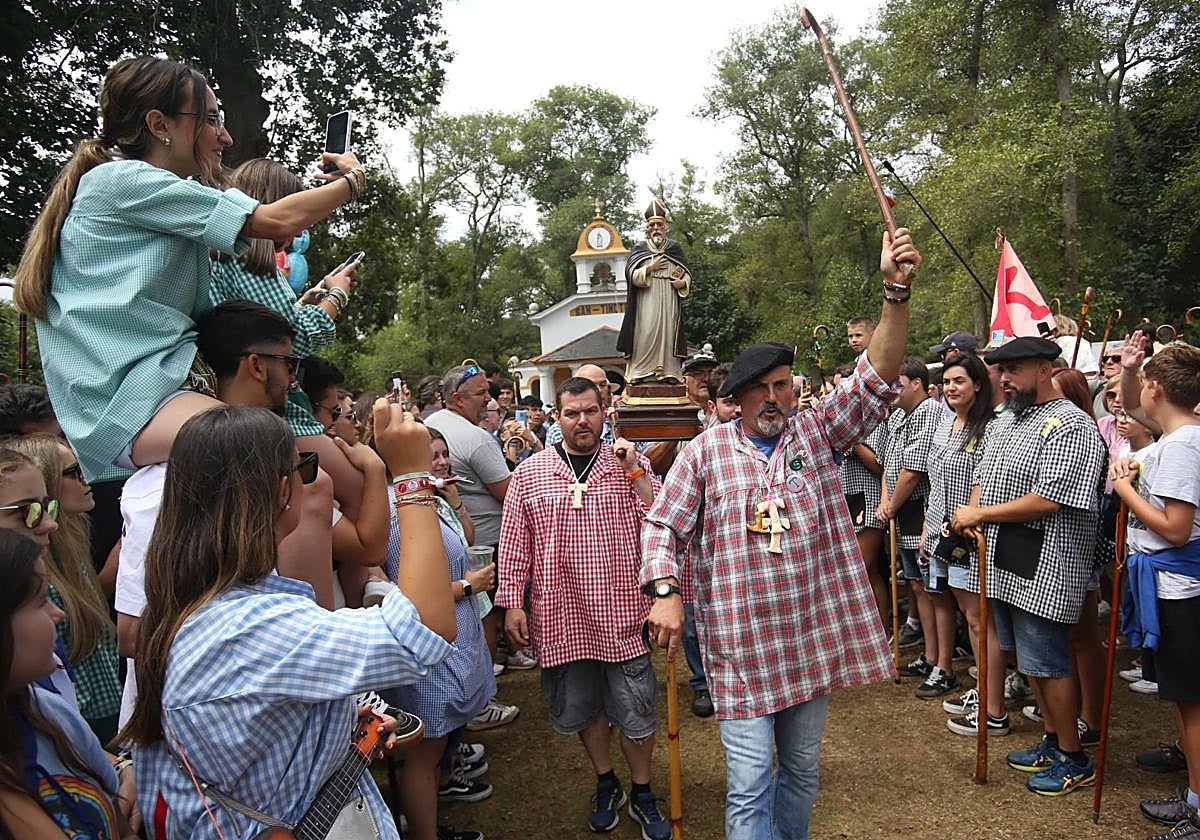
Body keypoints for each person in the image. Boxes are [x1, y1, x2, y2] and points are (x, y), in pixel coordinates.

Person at [642, 229, 921, 839]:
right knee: (748, 784)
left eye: (784, 385)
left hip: (808, 637)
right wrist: (664, 590)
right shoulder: (704, 453)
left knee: (800, 769)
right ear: (738, 396)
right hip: (738, 647)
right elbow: (662, 524)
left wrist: (895, 291)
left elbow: (878, 371)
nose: (775, 398)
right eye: (762, 388)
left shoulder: (816, 433)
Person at [13, 55, 365, 484]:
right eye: (212, 120)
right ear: (160, 125)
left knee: (300, 476)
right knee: (263, 445)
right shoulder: (122, 181)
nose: (226, 137)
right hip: (124, 404)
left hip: (163, 393)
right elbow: (276, 221)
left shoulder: (164, 195)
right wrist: (350, 182)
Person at [120, 402, 455, 840]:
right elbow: (425, 627)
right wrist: (412, 477)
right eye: (305, 465)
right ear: (283, 490)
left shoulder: (190, 604)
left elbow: (251, 730)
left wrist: (334, 725)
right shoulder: (249, 627)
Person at [498, 377, 667, 838]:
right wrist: (514, 603)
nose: (581, 421)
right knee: (585, 707)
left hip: (622, 613)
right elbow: (515, 543)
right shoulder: (531, 473)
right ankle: (605, 780)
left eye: (590, 411)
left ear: (605, 412)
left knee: (635, 708)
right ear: (558, 417)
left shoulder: (626, 465)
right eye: (571, 413)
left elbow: (660, 521)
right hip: (561, 614)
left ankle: (644, 790)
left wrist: (635, 471)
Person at [952, 336, 1106, 797]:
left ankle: (1075, 756)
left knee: (1048, 661)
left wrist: (980, 515)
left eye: (1013, 370)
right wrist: (973, 510)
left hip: (1047, 564)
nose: (1003, 380)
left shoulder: (1072, 425)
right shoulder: (1006, 420)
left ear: (1043, 369)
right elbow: (984, 473)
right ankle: (1053, 740)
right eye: (1000, 371)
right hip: (1002, 561)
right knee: (1027, 660)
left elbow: (1053, 498)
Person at [1110, 338, 1200, 838]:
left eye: (1142, 382)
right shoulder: (1174, 441)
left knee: (1192, 701)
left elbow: (1175, 528)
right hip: (1170, 586)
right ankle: (1193, 795)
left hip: (1183, 588)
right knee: (1184, 700)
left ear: (1156, 389)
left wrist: (1124, 490)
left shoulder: (1186, 444)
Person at [387, 429, 496, 840]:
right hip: (431, 656)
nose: (441, 462)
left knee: (434, 755)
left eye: (444, 454)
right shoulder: (400, 515)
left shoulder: (429, 502)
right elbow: (409, 594)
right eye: (430, 454)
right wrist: (467, 587)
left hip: (450, 644)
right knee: (423, 758)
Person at [0, 529, 140, 839]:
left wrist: (121, 768)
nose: (58, 613)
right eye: (40, 602)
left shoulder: (46, 711)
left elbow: (121, 826)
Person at [5, 436, 122, 745]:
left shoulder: (74, 543)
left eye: (47, 507)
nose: (48, 523)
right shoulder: (40, 576)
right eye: (26, 511)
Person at [426, 363, 519, 728]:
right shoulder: (475, 437)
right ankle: (483, 698)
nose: (489, 400)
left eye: (488, 392)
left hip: (453, 537)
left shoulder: (432, 427)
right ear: (455, 398)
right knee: (483, 617)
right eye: (481, 394)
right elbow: (509, 493)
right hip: (483, 540)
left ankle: (473, 694)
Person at [920, 354, 1007, 736]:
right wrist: (927, 527)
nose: (953, 387)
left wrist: (970, 517)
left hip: (973, 537)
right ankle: (982, 689)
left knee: (978, 619)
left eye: (960, 380)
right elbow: (934, 482)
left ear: (977, 384)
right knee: (965, 615)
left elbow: (985, 483)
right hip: (941, 533)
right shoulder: (944, 424)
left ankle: (993, 708)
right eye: (948, 381)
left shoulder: (990, 429)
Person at [879, 358, 956, 698]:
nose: (891, 390)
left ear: (916, 384)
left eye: (898, 382)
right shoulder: (897, 417)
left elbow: (913, 470)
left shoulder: (932, 415)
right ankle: (927, 655)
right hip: (900, 515)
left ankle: (943, 664)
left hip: (923, 515)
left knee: (934, 590)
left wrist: (891, 505)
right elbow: (888, 464)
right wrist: (886, 501)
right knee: (916, 586)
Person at [617, 197, 691, 383]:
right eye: (652, 225)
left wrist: (682, 284)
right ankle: (641, 372)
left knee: (668, 333)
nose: (656, 228)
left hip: (669, 297)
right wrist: (650, 268)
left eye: (660, 224)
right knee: (645, 332)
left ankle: (670, 372)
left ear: (666, 227)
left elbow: (687, 274)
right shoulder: (640, 248)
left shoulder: (674, 248)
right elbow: (631, 276)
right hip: (646, 298)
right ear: (647, 228)